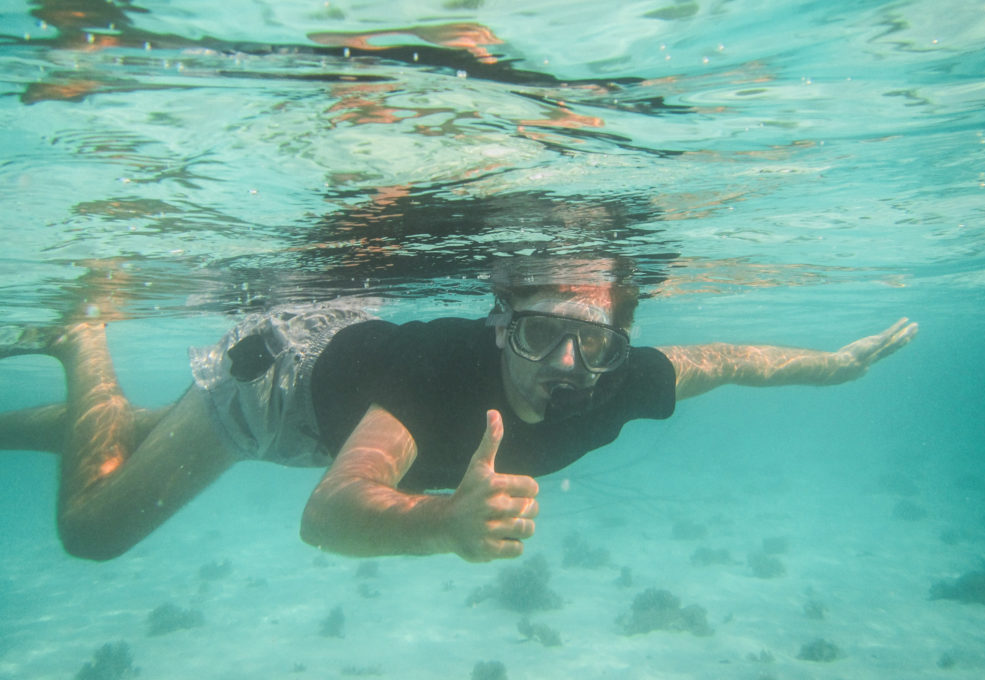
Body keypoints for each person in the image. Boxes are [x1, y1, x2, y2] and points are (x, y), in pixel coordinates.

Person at [0, 263, 917, 563]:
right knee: (93, 530)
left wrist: (835, 369)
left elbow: (730, 362)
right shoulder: (438, 382)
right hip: (277, 393)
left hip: (337, 369)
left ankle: (69, 413)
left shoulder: (618, 378)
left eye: (595, 343)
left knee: (126, 440)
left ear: (620, 344)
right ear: (499, 326)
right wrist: (441, 523)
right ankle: (84, 340)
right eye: (540, 335)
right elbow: (330, 509)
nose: (569, 367)